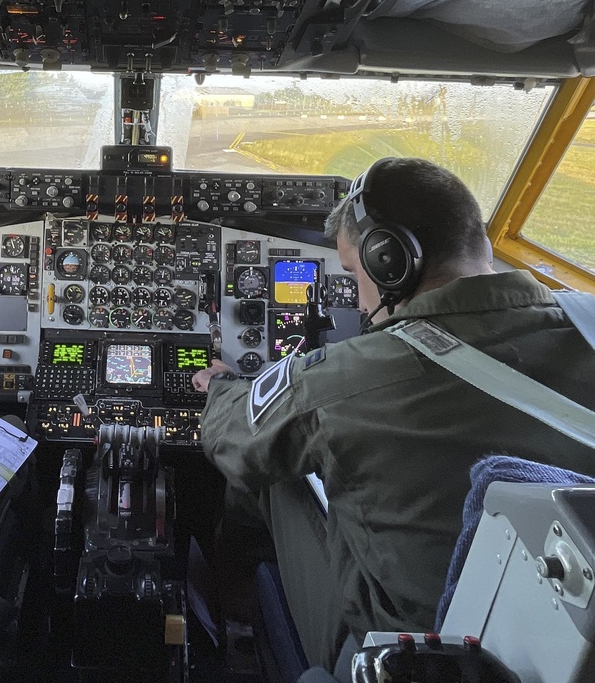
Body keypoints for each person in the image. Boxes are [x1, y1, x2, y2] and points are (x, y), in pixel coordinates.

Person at [192, 157, 595, 669]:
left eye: (352, 273)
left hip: (411, 655)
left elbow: (232, 437)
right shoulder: (588, 320)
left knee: (271, 459)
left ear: (390, 261)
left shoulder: (351, 375)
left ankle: (231, 600)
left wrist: (223, 385)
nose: (361, 304)